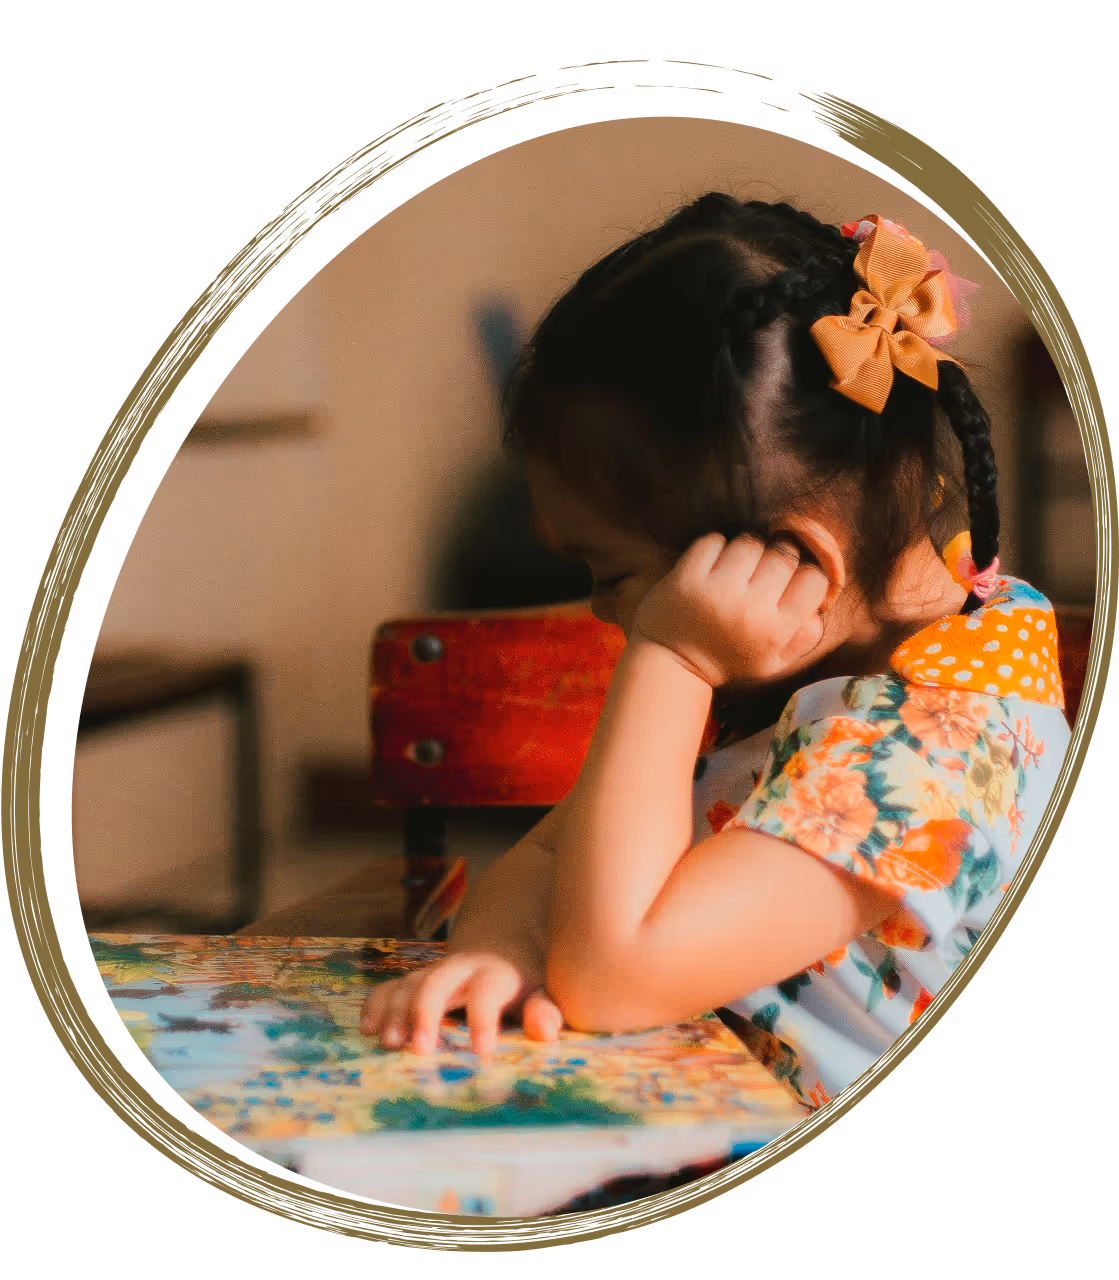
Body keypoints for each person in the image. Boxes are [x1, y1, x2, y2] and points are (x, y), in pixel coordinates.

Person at [360, 196, 1070, 1109]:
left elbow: (612, 978)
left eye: (612, 574)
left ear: (791, 564)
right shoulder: (808, 659)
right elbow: (545, 859)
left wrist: (670, 659)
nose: (600, 609)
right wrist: (498, 950)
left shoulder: (927, 754)